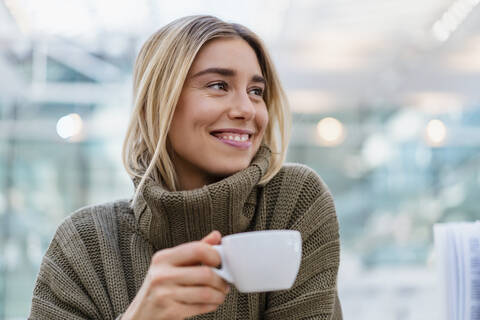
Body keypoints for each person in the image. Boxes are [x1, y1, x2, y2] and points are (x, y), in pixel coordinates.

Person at [29, 15, 342, 320]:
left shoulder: (291, 201)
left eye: (256, 91)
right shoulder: (84, 244)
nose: (247, 109)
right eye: (219, 85)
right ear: (159, 102)